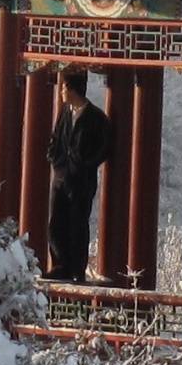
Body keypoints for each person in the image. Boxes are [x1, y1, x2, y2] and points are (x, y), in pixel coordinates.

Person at [45, 66, 114, 281]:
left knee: (77, 225)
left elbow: (105, 148)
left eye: (63, 87)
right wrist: (54, 159)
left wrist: (85, 164)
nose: (61, 93)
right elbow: (56, 139)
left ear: (71, 88)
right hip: (60, 179)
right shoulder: (65, 113)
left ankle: (76, 269)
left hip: (81, 182)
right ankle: (60, 265)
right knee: (56, 224)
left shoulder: (96, 118)